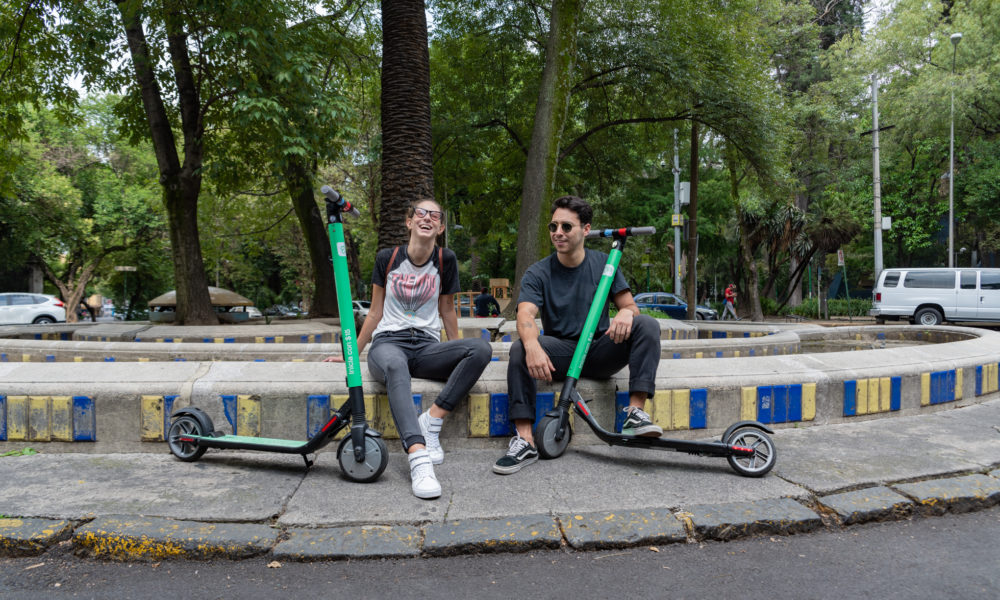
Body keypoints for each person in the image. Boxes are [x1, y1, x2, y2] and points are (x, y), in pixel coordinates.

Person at [324, 199, 492, 499]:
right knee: (395, 367)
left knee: (480, 349)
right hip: (389, 344)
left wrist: (455, 354)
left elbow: (447, 311)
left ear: (440, 227)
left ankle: (432, 420)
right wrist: (352, 355)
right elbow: (374, 314)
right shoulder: (387, 258)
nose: (427, 218)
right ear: (409, 222)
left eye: (435, 215)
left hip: (427, 346)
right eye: (421, 213)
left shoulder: (446, 259)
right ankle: (418, 456)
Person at [493, 195, 663, 475]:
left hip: (600, 350)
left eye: (566, 227)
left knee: (647, 324)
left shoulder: (605, 264)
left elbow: (630, 305)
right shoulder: (538, 272)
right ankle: (525, 440)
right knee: (520, 349)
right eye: (553, 226)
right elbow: (525, 315)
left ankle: (635, 415)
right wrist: (533, 343)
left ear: (586, 229)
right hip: (562, 352)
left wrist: (626, 313)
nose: (557, 232)